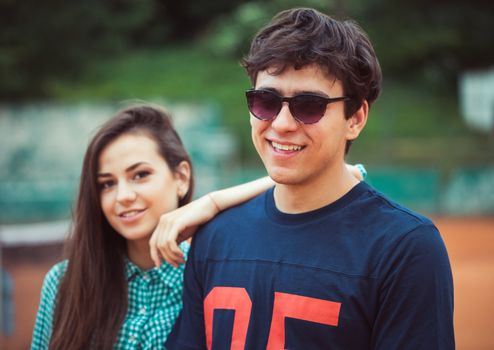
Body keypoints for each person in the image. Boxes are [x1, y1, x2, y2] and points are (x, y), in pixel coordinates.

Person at [166, 8, 454, 349]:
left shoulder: (404, 248)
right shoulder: (214, 236)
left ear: (356, 118)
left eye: (309, 105)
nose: (282, 123)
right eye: (266, 100)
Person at [29, 103, 367, 349]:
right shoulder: (65, 282)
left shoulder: (213, 279)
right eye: (106, 184)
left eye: (140, 175)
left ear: (181, 178)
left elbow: (351, 173)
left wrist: (213, 201)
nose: (123, 196)